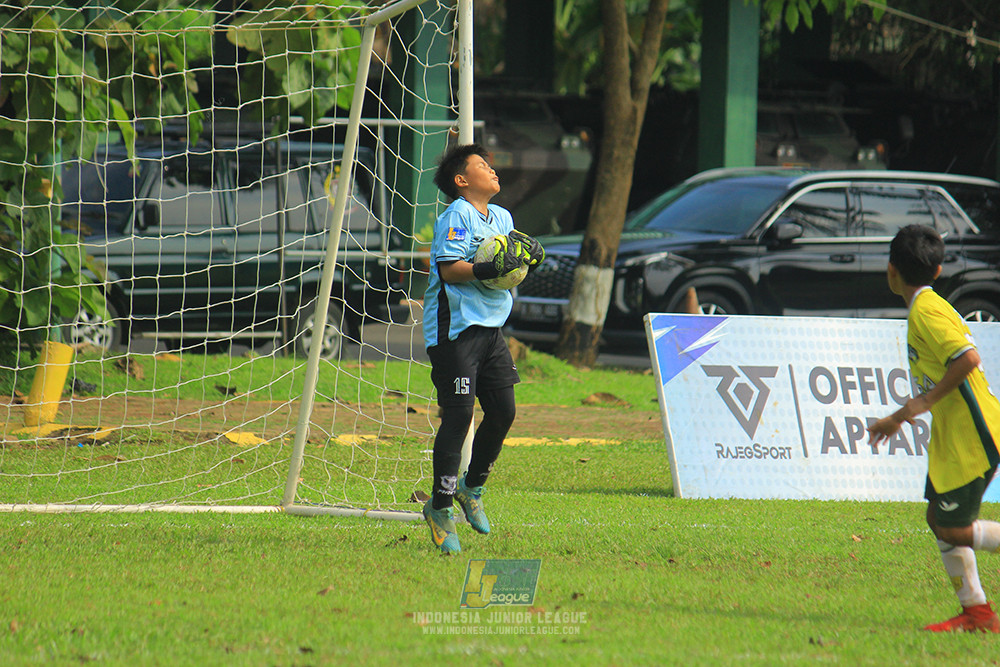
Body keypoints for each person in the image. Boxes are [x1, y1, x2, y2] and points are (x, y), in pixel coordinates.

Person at [868, 224, 1000, 632]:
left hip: (972, 435)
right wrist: (907, 413)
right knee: (937, 518)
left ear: (891, 270)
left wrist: (917, 406)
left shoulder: (926, 309)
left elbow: (968, 359)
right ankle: (976, 613)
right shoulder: (929, 306)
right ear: (938, 271)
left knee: (951, 527)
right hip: (955, 437)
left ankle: (978, 613)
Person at [420, 143, 544, 554]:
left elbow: (507, 268)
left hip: (491, 330)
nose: (492, 170)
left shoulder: (503, 217)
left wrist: (526, 261)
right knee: (459, 417)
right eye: (482, 166)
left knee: (504, 411)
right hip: (455, 331)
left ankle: (471, 488)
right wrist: (487, 268)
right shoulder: (456, 215)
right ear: (461, 180)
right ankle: (440, 508)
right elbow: (450, 271)